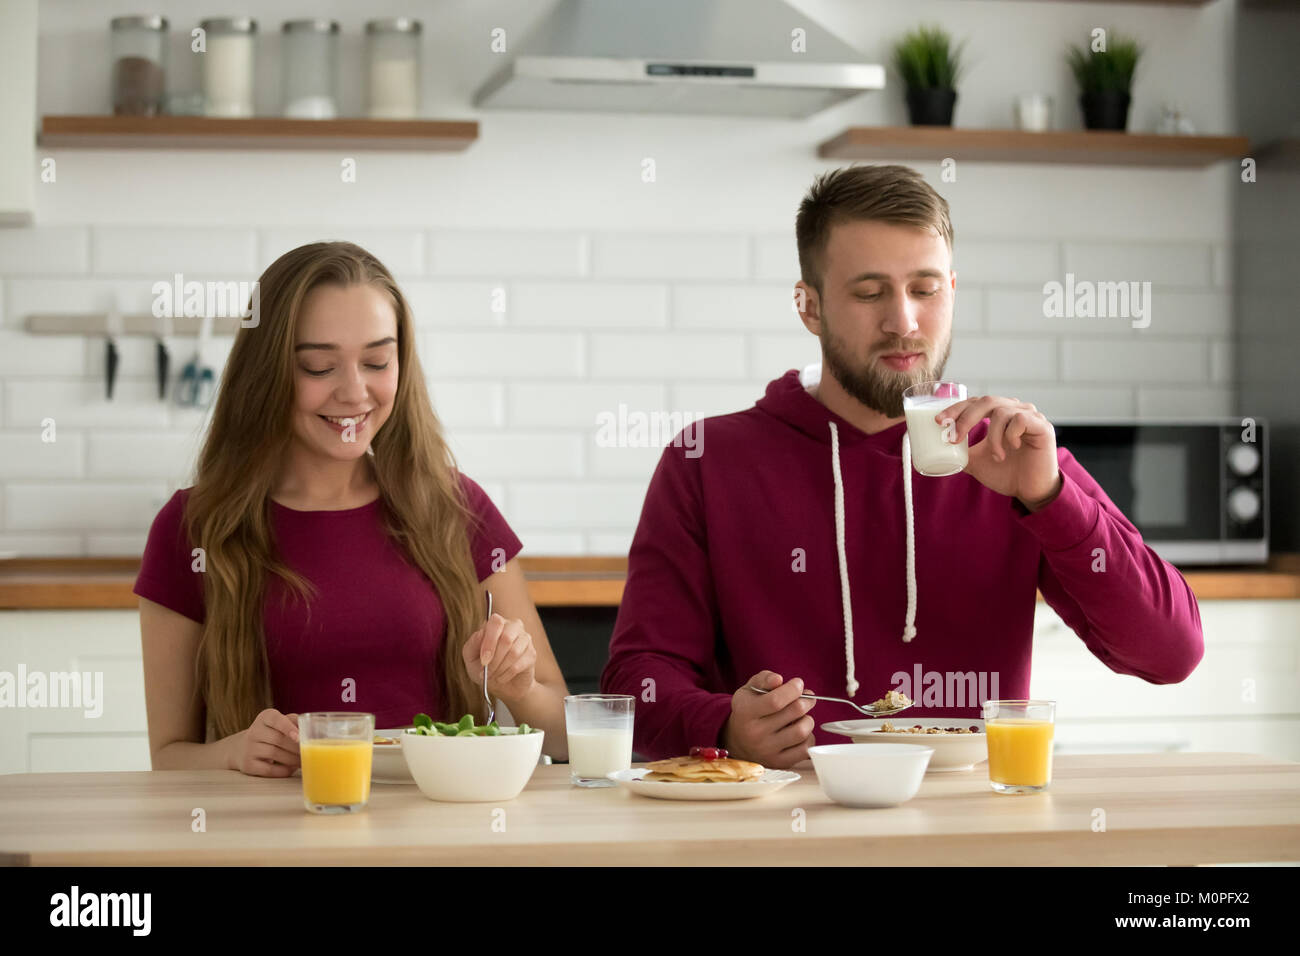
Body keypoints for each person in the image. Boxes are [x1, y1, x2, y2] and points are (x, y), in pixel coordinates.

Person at [600, 164, 1204, 769]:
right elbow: (635, 686)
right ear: (809, 308)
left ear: (953, 292)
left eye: (925, 289)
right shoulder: (707, 461)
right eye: (869, 293)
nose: (903, 322)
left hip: (969, 832)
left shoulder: (1015, 459)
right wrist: (724, 726)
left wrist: (1050, 500)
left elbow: (1171, 653)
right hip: (781, 830)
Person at [135, 241, 570, 776]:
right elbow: (168, 758)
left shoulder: (458, 508)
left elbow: (566, 736)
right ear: (267, 374)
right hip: (270, 841)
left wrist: (519, 689)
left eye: (376, 361)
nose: (354, 391)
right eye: (319, 367)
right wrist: (229, 754)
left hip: (435, 833)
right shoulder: (191, 529)